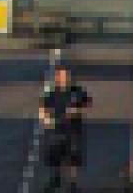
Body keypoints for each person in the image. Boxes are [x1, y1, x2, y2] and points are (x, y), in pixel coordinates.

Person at [39, 62, 92, 193]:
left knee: (73, 157)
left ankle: (72, 184)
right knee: (55, 156)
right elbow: (43, 106)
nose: (66, 78)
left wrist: (77, 110)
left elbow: (89, 103)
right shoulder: (53, 93)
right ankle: (55, 180)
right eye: (63, 76)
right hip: (57, 129)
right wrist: (45, 118)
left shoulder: (77, 91)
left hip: (74, 130)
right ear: (58, 78)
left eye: (67, 76)